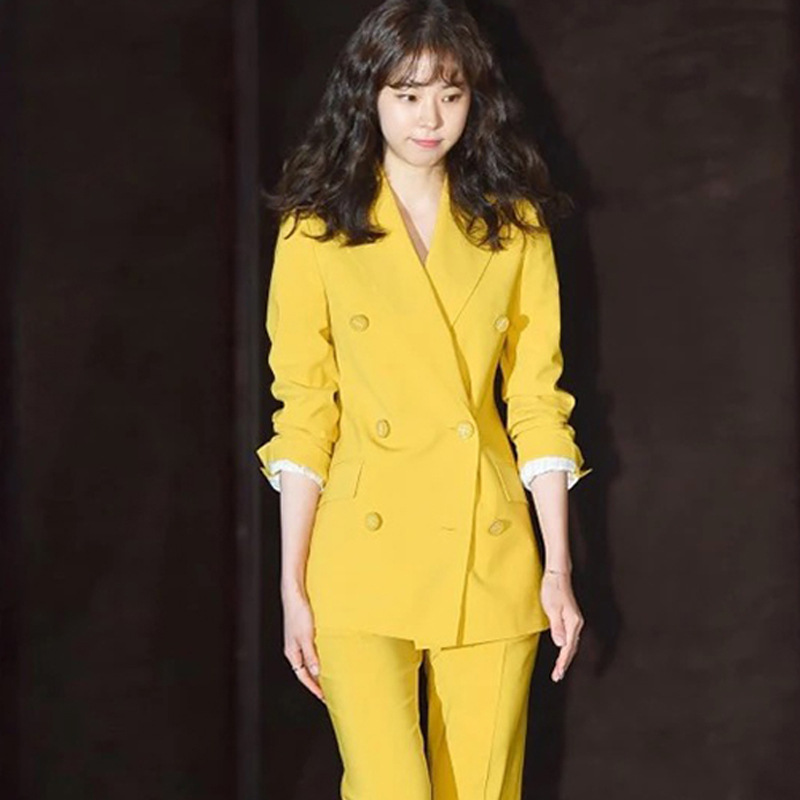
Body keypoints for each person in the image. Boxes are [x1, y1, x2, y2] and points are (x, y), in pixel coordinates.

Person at [256, 1, 592, 797]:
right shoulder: (314, 230)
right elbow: (304, 413)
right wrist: (292, 586)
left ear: (476, 99)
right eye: (406, 94)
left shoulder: (514, 227)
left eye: (449, 93)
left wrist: (557, 568)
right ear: (368, 96)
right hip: (359, 558)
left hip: (489, 550)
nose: (429, 118)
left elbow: (538, 400)